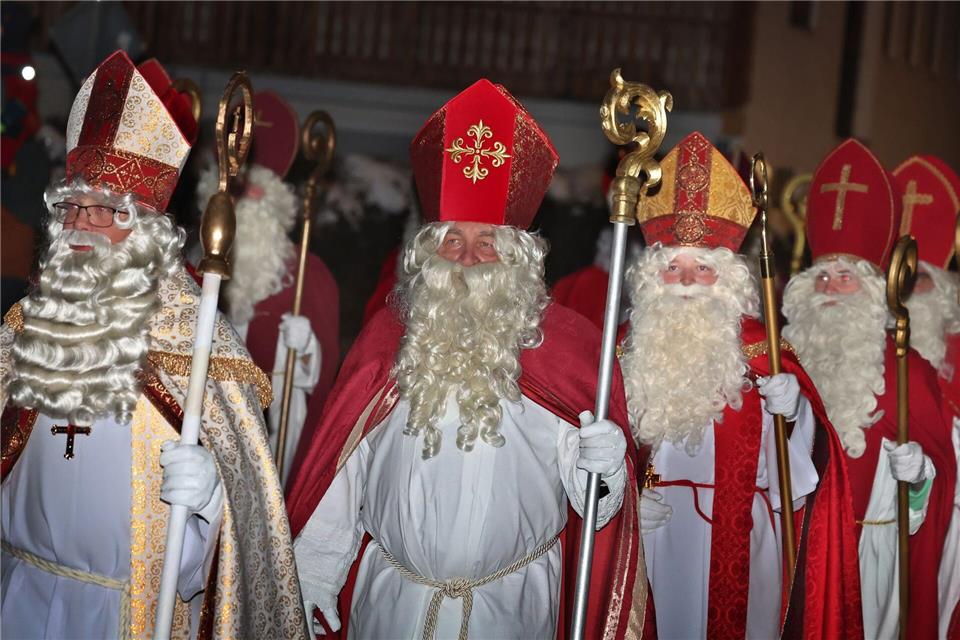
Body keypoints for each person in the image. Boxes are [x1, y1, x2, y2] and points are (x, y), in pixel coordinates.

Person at [286, 79, 652, 639]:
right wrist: (314, 568)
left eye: (488, 242)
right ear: (428, 250)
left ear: (516, 257)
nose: (468, 258)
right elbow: (344, 467)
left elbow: (594, 510)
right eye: (452, 240)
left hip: (510, 611)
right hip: (390, 606)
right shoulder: (390, 338)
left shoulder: (566, 347)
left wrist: (601, 468)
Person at [0, 51, 305, 638]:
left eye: (105, 210)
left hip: (123, 614)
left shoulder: (198, 345)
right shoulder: (24, 329)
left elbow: (249, 509)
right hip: (15, 592)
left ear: (144, 226)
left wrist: (212, 500)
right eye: (72, 205)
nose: (81, 223)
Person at [621, 131, 861, 639]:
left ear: (728, 279)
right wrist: (623, 505)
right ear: (651, 278)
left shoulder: (763, 351)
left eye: (703, 268)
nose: (687, 279)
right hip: (650, 534)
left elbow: (807, 470)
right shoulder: (623, 350)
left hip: (742, 536)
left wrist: (796, 412)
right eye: (673, 266)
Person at [782, 139, 955, 640]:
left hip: (868, 559)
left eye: (846, 278)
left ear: (874, 291)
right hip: (788, 549)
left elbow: (941, 471)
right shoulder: (784, 360)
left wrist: (919, 477)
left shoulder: (908, 370)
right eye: (822, 277)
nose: (830, 289)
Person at [192, 91, 340, 485]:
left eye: (252, 195)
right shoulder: (194, 266)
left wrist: (306, 350)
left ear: (273, 205)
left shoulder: (309, 275)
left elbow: (324, 377)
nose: (241, 207)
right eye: (233, 197)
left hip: (271, 434)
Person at [892, 154, 960, 638]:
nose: (910, 293)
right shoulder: (872, 353)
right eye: (902, 281)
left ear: (946, 291)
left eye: (921, 279)